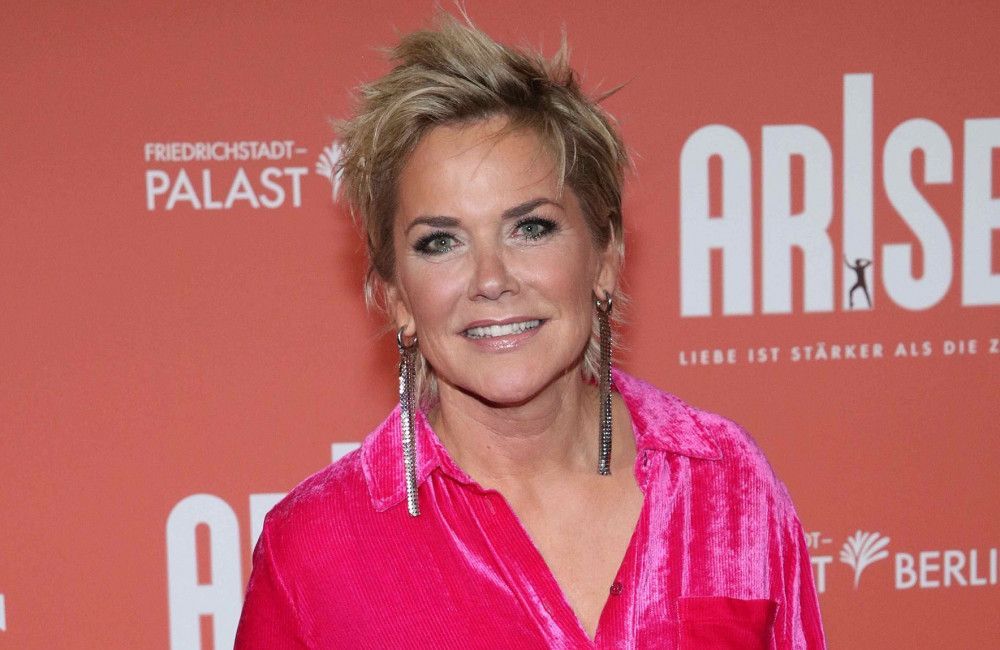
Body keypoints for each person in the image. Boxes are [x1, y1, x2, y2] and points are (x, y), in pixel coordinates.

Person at [235, 13, 825, 649]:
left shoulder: (726, 482)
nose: (491, 279)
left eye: (531, 228)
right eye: (440, 242)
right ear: (396, 295)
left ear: (605, 256)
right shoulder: (315, 550)